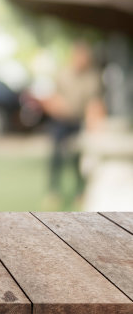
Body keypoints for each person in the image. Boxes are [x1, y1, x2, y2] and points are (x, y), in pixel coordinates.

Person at [39, 42, 105, 207]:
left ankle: (80, 192)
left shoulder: (93, 77)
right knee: (56, 156)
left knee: (79, 159)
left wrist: (94, 122)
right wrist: (58, 106)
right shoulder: (62, 73)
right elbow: (52, 97)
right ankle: (53, 192)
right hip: (61, 121)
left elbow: (95, 103)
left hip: (79, 121)